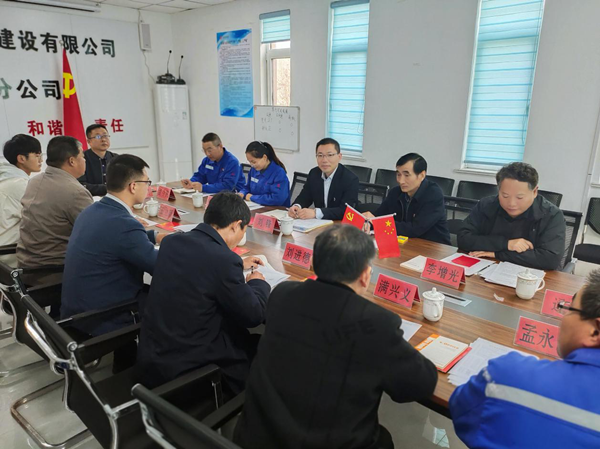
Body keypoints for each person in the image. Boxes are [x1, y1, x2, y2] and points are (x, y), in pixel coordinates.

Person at [234, 225, 438, 449]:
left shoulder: (282, 295)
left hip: (259, 438)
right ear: (365, 275)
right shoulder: (376, 322)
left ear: (314, 265)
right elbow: (420, 384)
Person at [136, 192, 270, 395]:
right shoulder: (223, 261)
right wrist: (258, 282)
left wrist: (236, 265)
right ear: (236, 225)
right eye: (244, 230)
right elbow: (254, 315)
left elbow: (199, 266)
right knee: (260, 344)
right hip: (191, 373)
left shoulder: (172, 242)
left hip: (153, 358)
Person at [450, 269, 600, 448]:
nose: (563, 317)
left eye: (569, 309)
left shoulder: (507, 377)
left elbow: (461, 410)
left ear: (595, 331)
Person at [61, 154, 168, 337]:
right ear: (133, 186)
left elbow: (115, 239)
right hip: (105, 317)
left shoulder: (92, 210)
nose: (148, 188)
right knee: (176, 297)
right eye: (147, 182)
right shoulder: (124, 224)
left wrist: (155, 236)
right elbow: (161, 267)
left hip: (76, 312)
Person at [457, 162, 566, 270]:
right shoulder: (486, 205)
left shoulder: (551, 215)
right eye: (505, 196)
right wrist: (506, 244)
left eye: (519, 197)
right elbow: (463, 238)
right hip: (487, 269)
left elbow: (549, 259)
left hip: (533, 276)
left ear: (534, 192)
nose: (511, 203)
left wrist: (497, 254)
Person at [17, 136, 92, 268]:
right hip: (56, 269)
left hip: (27, 264)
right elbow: (96, 232)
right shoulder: (75, 192)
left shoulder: (35, 181)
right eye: (82, 156)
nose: (85, 160)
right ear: (72, 161)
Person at [362, 153, 451, 244]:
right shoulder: (395, 192)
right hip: (405, 243)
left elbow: (415, 229)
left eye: (406, 175)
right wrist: (368, 223)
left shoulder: (433, 194)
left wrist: (378, 223)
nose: (401, 181)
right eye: (398, 174)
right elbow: (378, 216)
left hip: (434, 247)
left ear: (422, 175)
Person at [288, 138, 359, 220]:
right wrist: (297, 206)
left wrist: (316, 213)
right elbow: (305, 197)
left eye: (330, 155)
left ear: (339, 157)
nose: (324, 160)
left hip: (339, 224)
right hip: (318, 223)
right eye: (320, 155)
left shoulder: (350, 179)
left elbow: (346, 211)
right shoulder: (314, 173)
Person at [0, 134, 43, 246]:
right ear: (21, 159)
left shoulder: (6, 178)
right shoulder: (20, 184)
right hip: (9, 250)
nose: (41, 160)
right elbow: (41, 218)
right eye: (37, 156)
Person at [180, 132, 244, 193]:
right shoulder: (207, 161)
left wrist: (203, 188)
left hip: (232, 197)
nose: (207, 154)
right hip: (213, 195)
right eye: (204, 150)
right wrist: (191, 182)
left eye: (209, 150)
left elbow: (228, 186)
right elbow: (201, 176)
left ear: (220, 146)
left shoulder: (232, 162)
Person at [238, 141, 290, 207]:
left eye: (254, 162)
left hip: (276, 209)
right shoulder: (254, 170)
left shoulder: (279, 173)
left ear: (264, 157)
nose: (252, 165)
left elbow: (277, 199)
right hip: (257, 207)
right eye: (249, 162)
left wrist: (252, 198)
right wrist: (242, 193)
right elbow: (247, 187)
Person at [78, 124, 116, 196]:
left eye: (105, 135)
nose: (103, 139)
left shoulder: (116, 159)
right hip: (89, 199)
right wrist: (110, 189)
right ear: (89, 141)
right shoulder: (81, 159)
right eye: (98, 136)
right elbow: (80, 185)